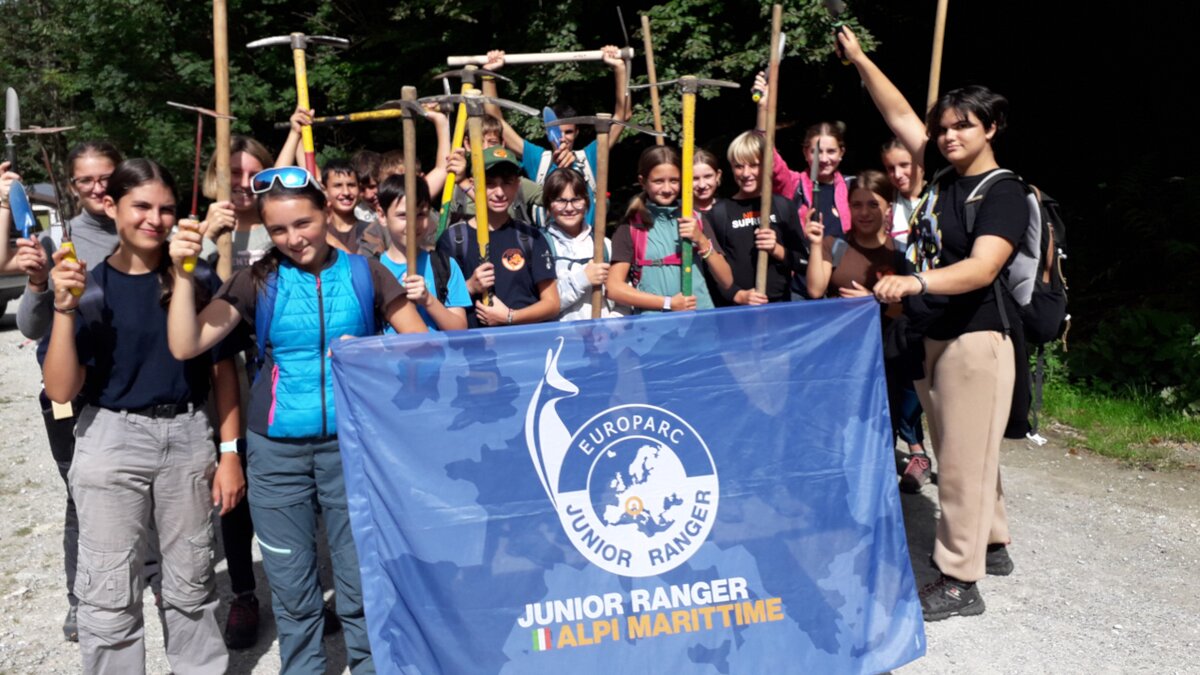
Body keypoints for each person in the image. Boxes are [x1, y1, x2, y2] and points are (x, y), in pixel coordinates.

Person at [167, 166, 427, 673]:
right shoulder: (255, 280)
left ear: (326, 212)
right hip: (276, 455)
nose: (293, 239)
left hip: (351, 450)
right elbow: (186, 343)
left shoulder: (366, 273)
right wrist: (182, 273)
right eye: (279, 229)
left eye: (303, 223)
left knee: (360, 582)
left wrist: (371, 351)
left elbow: (419, 350)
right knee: (293, 588)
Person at [839, 26, 1023, 621]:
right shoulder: (944, 176)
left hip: (977, 335)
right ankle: (991, 541)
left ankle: (959, 580)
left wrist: (916, 282)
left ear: (991, 128)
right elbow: (897, 113)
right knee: (961, 447)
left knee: (963, 463)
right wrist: (861, 59)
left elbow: (982, 267)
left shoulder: (1003, 192)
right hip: (933, 333)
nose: (948, 136)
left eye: (963, 126)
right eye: (942, 128)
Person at [42, 158, 242, 673]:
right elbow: (61, 389)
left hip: (188, 435)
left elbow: (222, 372)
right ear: (111, 206)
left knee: (193, 583)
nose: (155, 219)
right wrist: (63, 308)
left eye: (166, 209)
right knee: (109, 594)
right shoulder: (87, 287)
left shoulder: (196, 278)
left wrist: (229, 453)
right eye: (142, 206)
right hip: (111, 439)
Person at [483, 46, 630, 228]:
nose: (562, 139)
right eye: (557, 132)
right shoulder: (539, 159)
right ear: (547, 132)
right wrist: (488, 75)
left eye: (568, 132)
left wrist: (619, 68)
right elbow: (496, 121)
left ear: (576, 133)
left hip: (588, 244)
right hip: (547, 244)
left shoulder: (590, 157)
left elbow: (623, 116)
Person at [436, 146, 560, 328]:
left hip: (525, 343)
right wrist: (469, 287)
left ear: (518, 185)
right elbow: (438, 304)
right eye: (490, 183)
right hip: (473, 343)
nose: (500, 192)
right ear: (473, 183)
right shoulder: (453, 240)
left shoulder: (531, 237)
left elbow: (552, 304)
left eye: (507, 183)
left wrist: (510, 317)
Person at [606, 146, 733, 313]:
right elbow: (613, 288)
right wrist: (668, 303)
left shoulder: (695, 219)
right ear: (643, 181)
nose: (667, 189)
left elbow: (726, 281)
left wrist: (701, 240)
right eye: (658, 181)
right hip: (654, 323)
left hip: (699, 320)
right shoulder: (631, 226)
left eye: (674, 181)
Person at [702, 131, 805, 306]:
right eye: (738, 166)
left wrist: (777, 250)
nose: (746, 173)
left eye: (754, 165)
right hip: (736, 311)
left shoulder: (783, 207)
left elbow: (804, 263)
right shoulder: (719, 213)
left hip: (779, 307)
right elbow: (710, 271)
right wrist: (737, 295)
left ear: (767, 165)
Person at [753, 72, 853, 236]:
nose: (824, 159)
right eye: (816, 152)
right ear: (805, 153)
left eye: (831, 151)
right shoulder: (794, 184)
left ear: (842, 152)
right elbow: (768, 156)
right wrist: (763, 108)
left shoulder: (854, 187)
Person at [376, 173, 470, 331]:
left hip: (438, 348)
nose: (413, 224)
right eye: (403, 215)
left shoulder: (444, 266)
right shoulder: (372, 271)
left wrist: (428, 300)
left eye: (420, 214)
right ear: (382, 215)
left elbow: (460, 329)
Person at [542, 167, 616, 321]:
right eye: (560, 201)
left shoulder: (604, 245)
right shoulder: (540, 246)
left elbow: (622, 297)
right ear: (548, 204)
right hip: (560, 335)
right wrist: (584, 279)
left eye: (576, 200)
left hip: (603, 333)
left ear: (586, 201)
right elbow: (542, 305)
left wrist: (612, 324)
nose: (569, 208)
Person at [200, 134, 277, 272]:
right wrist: (207, 237)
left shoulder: (278, 230)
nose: (245, 183)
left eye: (254, 175)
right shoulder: (199, 234)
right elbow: (193, 278)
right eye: (235, 173)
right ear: (216, 175)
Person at [881, 138, 925, 245]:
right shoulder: (885, 201)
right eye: (891, 168)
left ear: (920, 163)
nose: (897, 174)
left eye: (904, 165)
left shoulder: (940, 197)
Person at [692, 148, 725, 215]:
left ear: (718, 176)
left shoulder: (728, 208)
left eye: (707, 176)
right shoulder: (677, 211)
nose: (702, 185)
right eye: (695, 178)